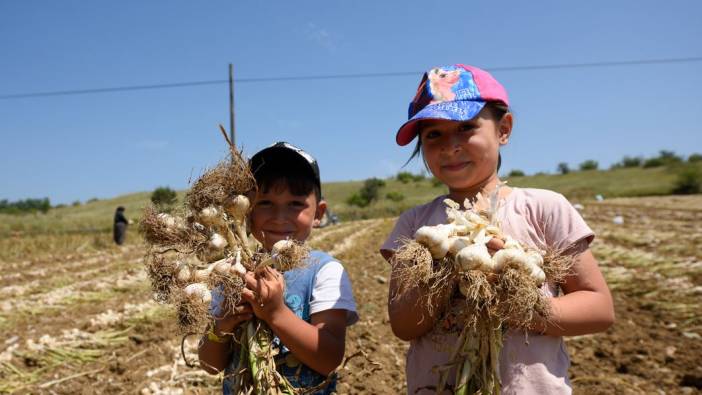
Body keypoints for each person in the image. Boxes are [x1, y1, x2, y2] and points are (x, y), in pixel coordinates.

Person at [380, 64, 615, 394]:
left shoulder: (544, 208)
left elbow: (599, 308)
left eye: (466, 127)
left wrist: (521, 302)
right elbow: (403, 325)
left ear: (503, 129)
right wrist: (447, 270)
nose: (450, 146)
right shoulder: (415, 225)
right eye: (434, 135)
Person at [198, 142, 358, 394]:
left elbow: (329, 359)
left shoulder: (325, 270)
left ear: (319, 213)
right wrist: (221, 327)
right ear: (245, 213)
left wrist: (276, 313)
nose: (279, 216)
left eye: (295, 203)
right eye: (265, 203)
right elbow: (210, 365)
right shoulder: (232, 274)